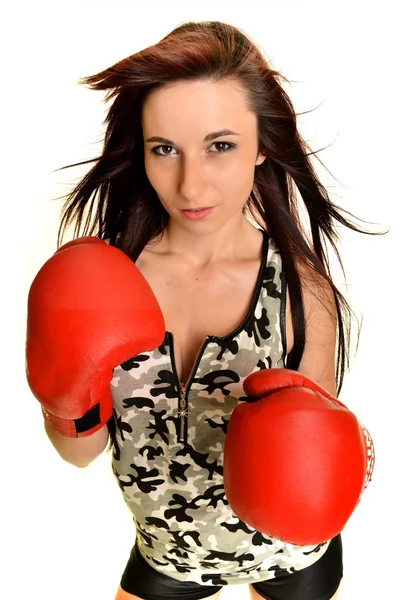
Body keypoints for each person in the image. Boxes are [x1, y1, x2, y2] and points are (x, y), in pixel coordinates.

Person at [26, 20, 379, 600]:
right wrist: (63, 399)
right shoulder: (103, 283)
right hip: (166, 553)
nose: (191, 185)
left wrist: (340, 458)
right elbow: (78, 454)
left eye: (221, 146)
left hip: (292, 559)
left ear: (263, 144)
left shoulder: (297, 289)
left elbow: (319, 462)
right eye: (165, 149)